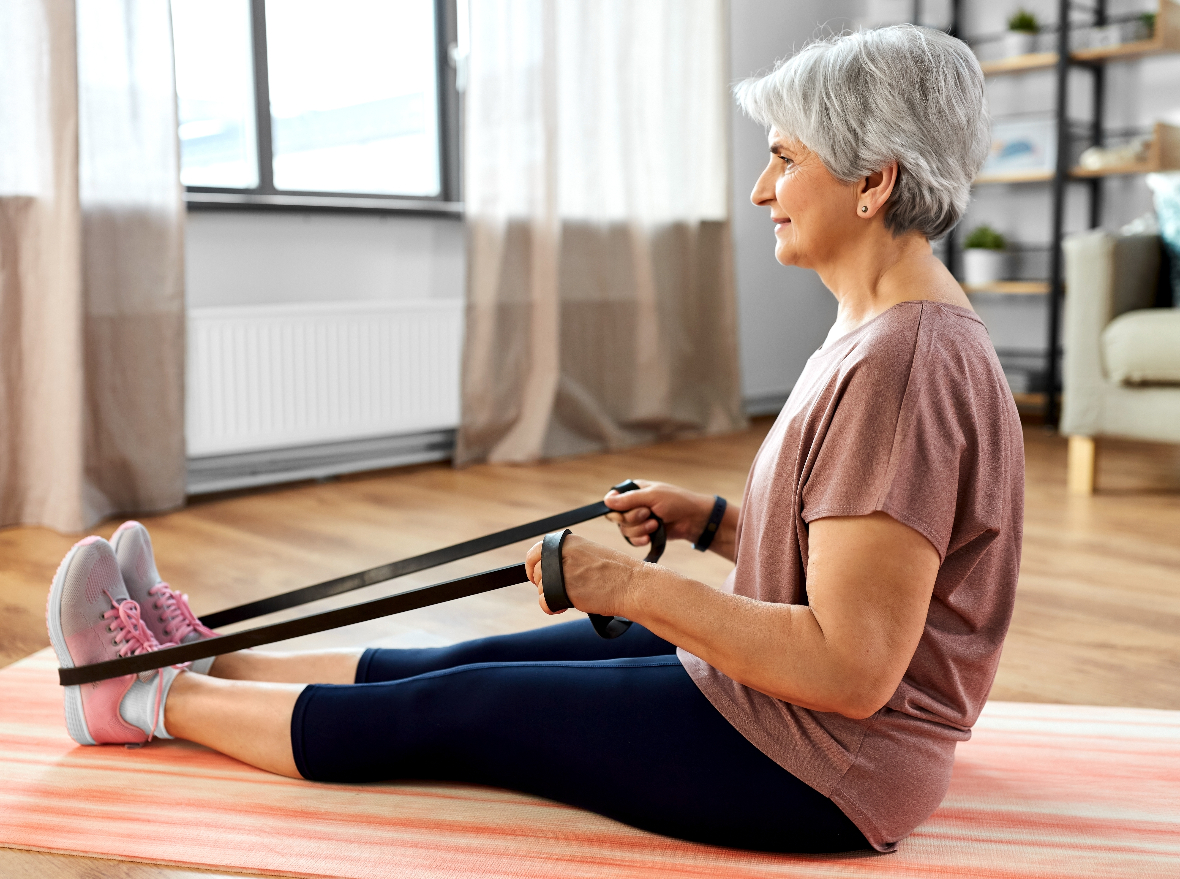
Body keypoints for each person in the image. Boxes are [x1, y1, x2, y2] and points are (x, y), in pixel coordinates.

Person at [46, 25, 1022, 854]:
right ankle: (208, 658)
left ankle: (140, 702)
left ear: (873, 182)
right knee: (473, 665)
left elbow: (850, 670)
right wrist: (717, 521)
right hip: (797, 716)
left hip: (823, 767)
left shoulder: (904, 364)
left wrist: (630, 585)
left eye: (786, 158)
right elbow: (861, 562)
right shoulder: (883, 328)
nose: (764, 189)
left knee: (465, 715)